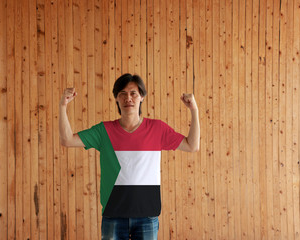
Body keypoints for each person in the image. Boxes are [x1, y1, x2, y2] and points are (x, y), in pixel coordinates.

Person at [59, 73, 200, 240]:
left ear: (142, 97)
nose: (128, 98)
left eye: (133, 93)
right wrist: (62, 106)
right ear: (117, 99)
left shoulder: (157, 129)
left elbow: (192, 145)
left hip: (147, 216)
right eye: (123, 94)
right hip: (114, 215)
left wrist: (194, 110)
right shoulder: (104, 131)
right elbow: (67, 140)